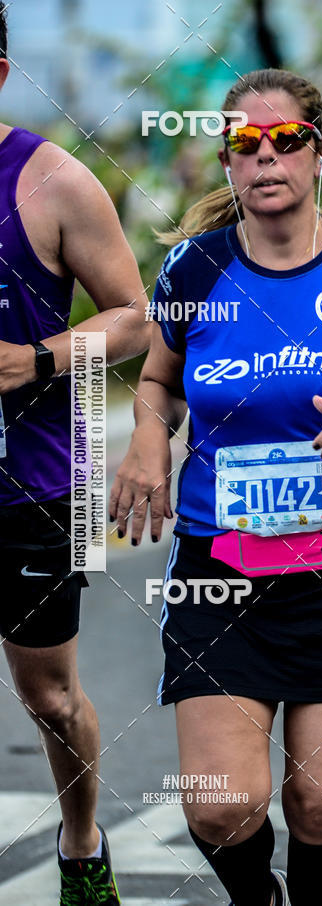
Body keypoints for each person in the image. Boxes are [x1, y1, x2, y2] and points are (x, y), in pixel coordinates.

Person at [110, 68, 322, 906]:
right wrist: (149, 439)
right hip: (218, 571)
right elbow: (156, 382)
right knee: (222, 808)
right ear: (227, 161)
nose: (265, 158)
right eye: (243, 143)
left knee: (319, 807)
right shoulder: (194, 269)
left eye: (285, 140)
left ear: (320, 154)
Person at [0, 6, 151, 903]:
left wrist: (40, 357)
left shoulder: (53, 182)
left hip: (27, 483)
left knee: (50, 699)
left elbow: (134, 316)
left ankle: (82, 843)